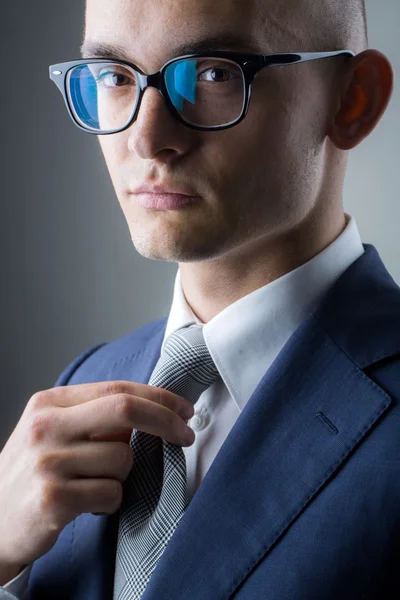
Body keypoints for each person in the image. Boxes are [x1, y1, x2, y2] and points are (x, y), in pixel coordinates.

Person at [0, 0, 397, 598]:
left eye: (214, 72)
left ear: (352, 100)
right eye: (115, 76)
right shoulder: (83, 385)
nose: (146, 138)